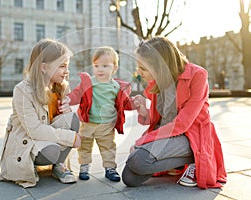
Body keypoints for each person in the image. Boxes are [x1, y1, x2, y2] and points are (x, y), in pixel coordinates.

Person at [122, 36, 227, 189]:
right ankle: (176, 164)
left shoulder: (197, 75)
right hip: (169, 134)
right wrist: (144, 111)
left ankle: (194, 160)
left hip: (191, 135)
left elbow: (182, 123)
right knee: (129, 178)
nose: (138, 72)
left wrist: (143, 141)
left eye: (143, 68)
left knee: (138, 160)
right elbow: (161, 118)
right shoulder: (158, 81)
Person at [0, 38, 81, 188]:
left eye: (67, 66)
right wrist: (71, 137)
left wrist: (65, 112)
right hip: (30, 139)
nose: (67, 71)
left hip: (48, 135)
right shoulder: (22, 91)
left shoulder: (59, 88)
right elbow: (34, 130)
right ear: (44, 67)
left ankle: (58, 166)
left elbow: (57, 122)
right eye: (62, 66)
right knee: (52, 150)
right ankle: (28, 167)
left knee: (72, 118)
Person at [66, 46, 133, 182]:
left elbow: (123, 103)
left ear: (114, 68)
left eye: (105, 66)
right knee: (84, 146)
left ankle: (110, 168)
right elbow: (77, 93)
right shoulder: (89, 82)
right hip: (88, 122)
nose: (100, 69)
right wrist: (69, 99)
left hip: (107, 124)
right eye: (96, 66)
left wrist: (135, 104)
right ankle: (84, 166)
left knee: (108, 147)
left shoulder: (116, 87)